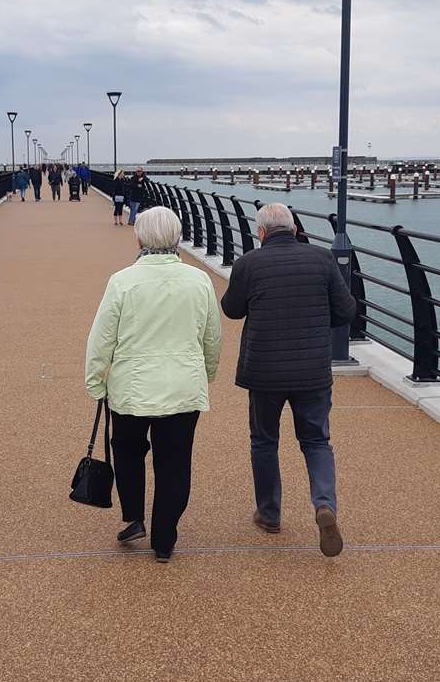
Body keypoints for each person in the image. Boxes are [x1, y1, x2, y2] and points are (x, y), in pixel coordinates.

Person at [85, 206, 222, 562]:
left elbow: (101, 340)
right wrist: (206, 373)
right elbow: (212, 337)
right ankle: (165, 538)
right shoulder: (199, 280)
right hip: (182, 388)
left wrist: (96, 382)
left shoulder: (122, 281)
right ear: (177, 238)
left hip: (131, 388)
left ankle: (133, 517)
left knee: (128, 452)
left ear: (140, 237)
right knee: (175, 462)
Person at [220, 202, 356, 557]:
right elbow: (346, 311)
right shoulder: (323, 259)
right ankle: (324, 505)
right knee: (316, 441)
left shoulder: (249, 263)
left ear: (261, 233)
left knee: (264, 441)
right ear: (294, 228)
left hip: (263, 370)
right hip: (312, 369)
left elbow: (232, 309)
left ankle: (269, 514)